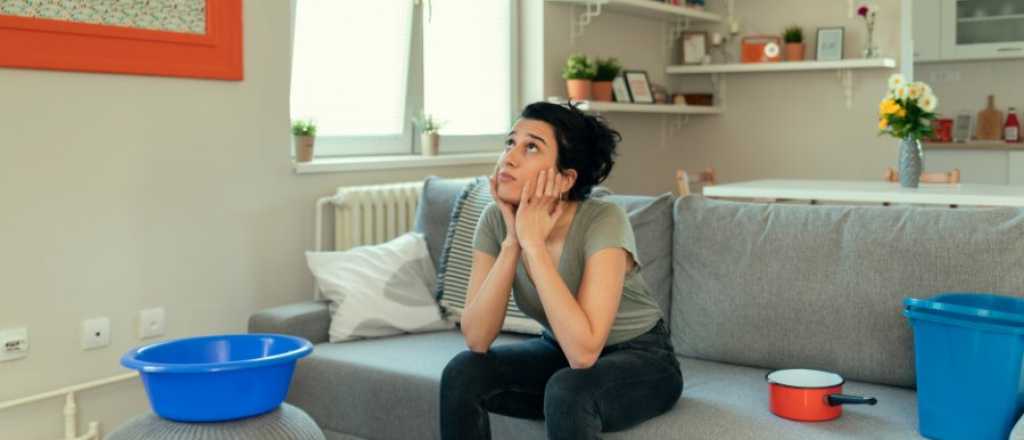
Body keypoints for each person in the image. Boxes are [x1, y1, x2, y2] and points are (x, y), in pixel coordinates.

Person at [439, 102, 683, 439]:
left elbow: (583, 353)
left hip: (642, 359)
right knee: (462, 372)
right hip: (558, 348)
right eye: (510, 142)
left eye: (531, 147)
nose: (509, 157)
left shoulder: (603, 220)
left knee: (568, 390)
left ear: (566, 178)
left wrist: (534, 246)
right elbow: (477, 338)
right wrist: (513, 241)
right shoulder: (495, 221)